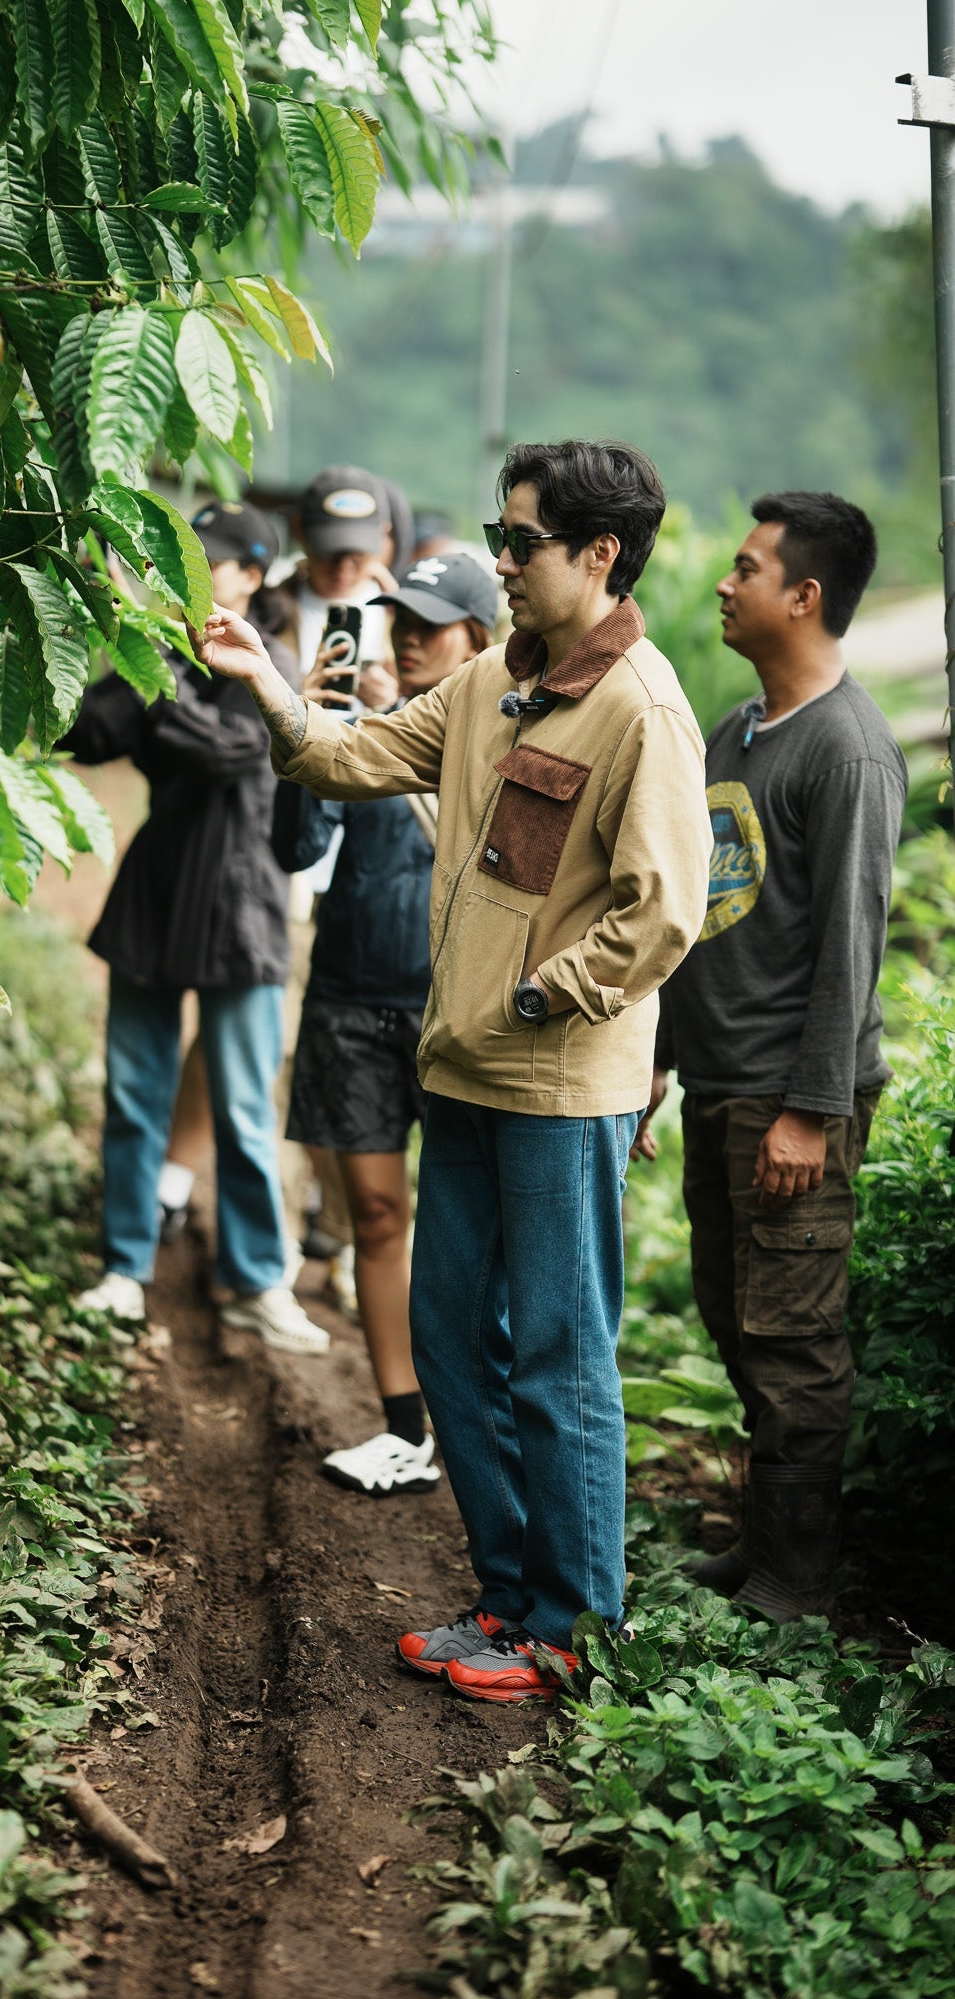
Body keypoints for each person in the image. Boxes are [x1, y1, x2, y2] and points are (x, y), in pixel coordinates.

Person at [197, 439, 711, 1703]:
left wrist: (540, 994)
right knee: (448, 1336)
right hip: (464, 1072)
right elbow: (349, 756)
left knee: (558, 1354)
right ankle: (509, 1593)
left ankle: (572, 1627)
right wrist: (265, 682)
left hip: (558, 1086)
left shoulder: (641, 709)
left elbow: (663, 909)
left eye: (521, 541)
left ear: (599, 554)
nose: (502, 560)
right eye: (501, 535)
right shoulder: (490, 684)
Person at [634, 492, 907, 1622]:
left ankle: (795, 1579)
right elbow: (695, 911)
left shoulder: (849, 750)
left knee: (793, 1338)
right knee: (732, 1312)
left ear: (803, 595)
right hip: (720, 1084)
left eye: (745, 568)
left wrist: (809, 1110)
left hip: (790, 1101)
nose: (722, 581)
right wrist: (656, 1057)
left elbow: (851, 944)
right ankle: (761, 1543)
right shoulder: (739, 730)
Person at [66, 498, 330, 1355]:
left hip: (239, 909)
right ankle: (122, 1268)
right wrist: (78, 625)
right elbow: (85, 729)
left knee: (245, 1110)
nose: (184, 572)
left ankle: (257, 1283)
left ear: (251, 576)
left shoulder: (270, 662)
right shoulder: (160, 652)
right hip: (155, 896)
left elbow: (226, 749)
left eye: (205, 558)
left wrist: (151, 677)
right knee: (132, 1096)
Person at [274, 554, 500, 1497]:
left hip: (456, 1017)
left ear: (479, 638)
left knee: (466, 1232)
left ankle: (481, 1428)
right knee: (374, 1214)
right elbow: (295, 848)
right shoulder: (362, 732)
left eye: (429, 625)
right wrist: (302, 721)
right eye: (398, 620)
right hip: (349, 1003)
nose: (407, 639)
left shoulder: (506, 733)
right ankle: (405, 1430)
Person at [266, 465, 399, 678]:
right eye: (329, 552)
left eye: (358, 555)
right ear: (299, 530)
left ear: (384, 536)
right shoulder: (267, 611)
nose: (343, 567)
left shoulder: (402, 616)